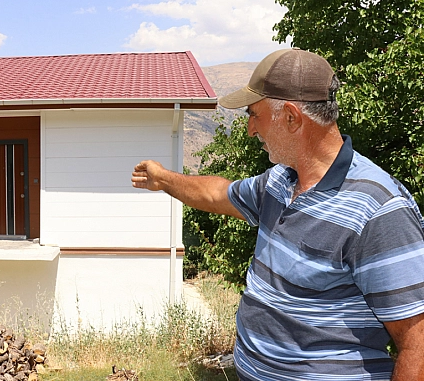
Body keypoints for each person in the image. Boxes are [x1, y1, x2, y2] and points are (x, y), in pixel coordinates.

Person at [132, 48, 424, 381]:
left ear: (290, 117)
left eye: (254, 115)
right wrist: (164, 179)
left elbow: (418, 342)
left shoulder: (378, 208)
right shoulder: (280, 181)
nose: (250, 130)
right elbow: (215, 194)